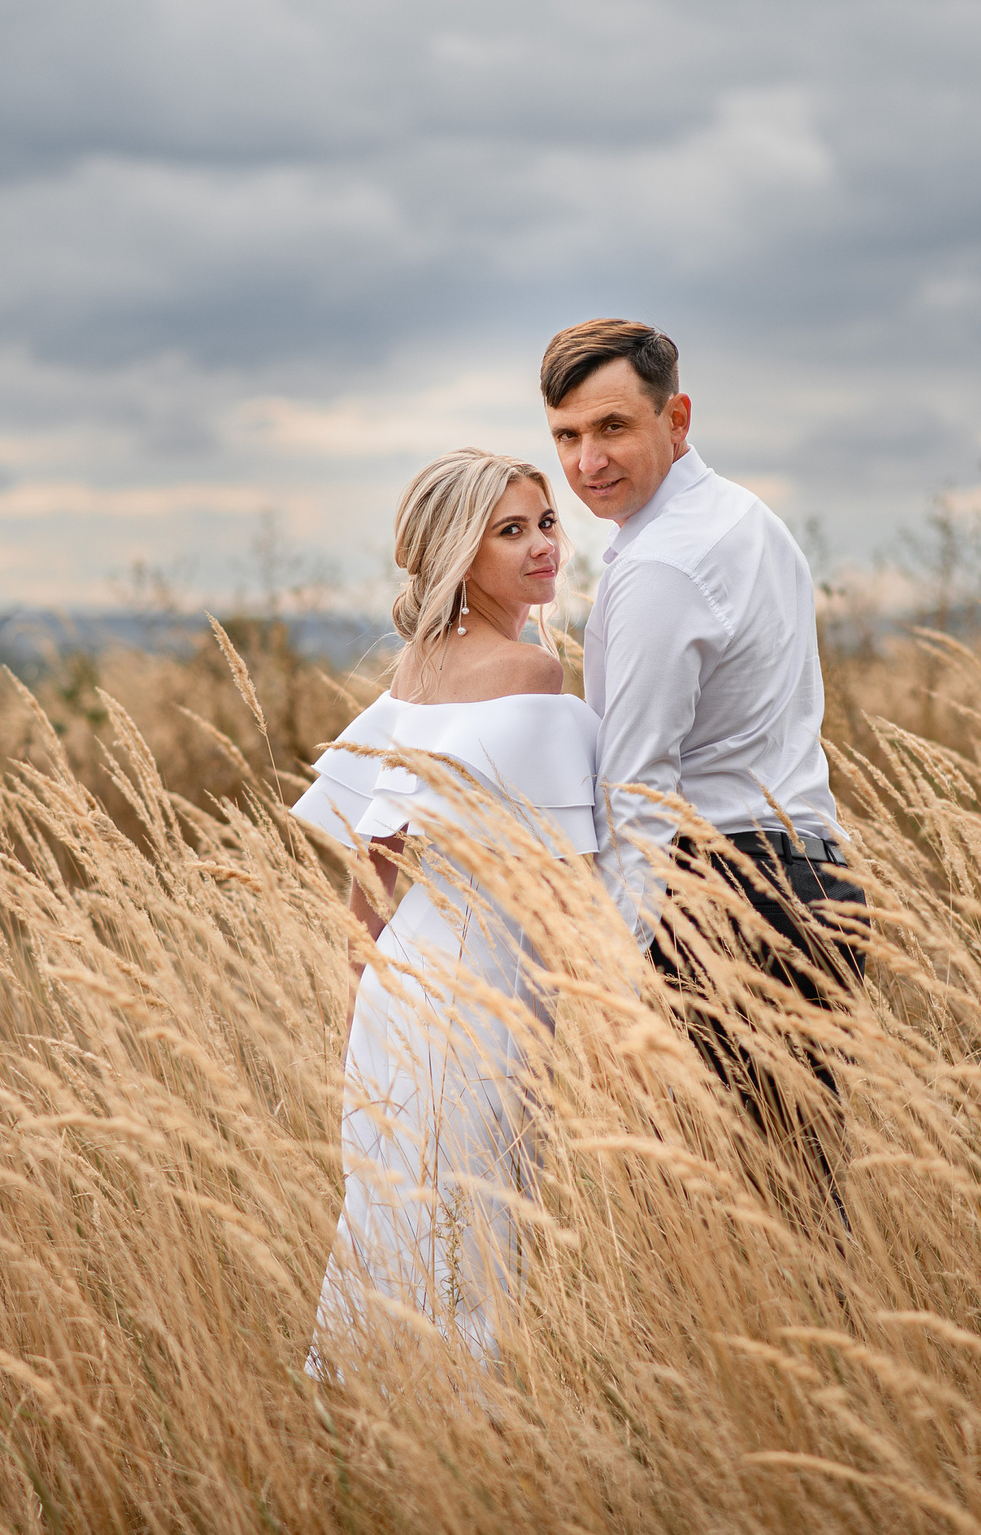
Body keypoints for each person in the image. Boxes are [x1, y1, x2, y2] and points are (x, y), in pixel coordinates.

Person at [290, 447, 599, 1369]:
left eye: (545, 522)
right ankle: (470, 1434)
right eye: (511, 531)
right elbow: (560, 879)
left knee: (395, 1206)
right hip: (485, 980)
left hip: (401, 978)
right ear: (463, 554)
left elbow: (373, 862)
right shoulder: (528, 673)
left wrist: (359, 995)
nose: (543, 545)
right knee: (477, 1216)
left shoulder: (417, 667)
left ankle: (379, 1410)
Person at [539, 318, 864, 1161]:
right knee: (801, 1201)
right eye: (567, 436)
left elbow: (638, 790)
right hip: (816, 881)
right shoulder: (746, 519)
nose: (587, 462)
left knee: (733, 1221)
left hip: (727, 900)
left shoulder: (662, 565)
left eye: (613, 427)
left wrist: (618, 983)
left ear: (676, 419)